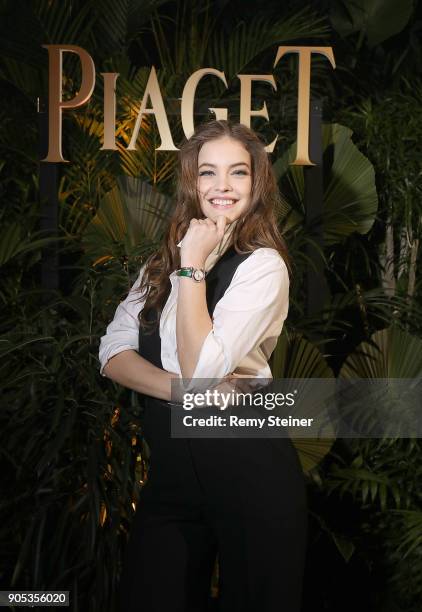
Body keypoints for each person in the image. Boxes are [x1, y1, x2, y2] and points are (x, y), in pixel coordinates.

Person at [99, 120, 308, 612]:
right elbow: (113, 353)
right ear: (191, 182)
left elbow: (203, 372)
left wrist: (191, 266)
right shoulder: (159, 261)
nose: (222, 186)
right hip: (172, 474)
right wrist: (179, 394)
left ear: (256, 183)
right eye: (208, 173)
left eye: (237, 173)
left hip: (248, 469)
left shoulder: (263, 265)